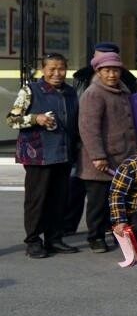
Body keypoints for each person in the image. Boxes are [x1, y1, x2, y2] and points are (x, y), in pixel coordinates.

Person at [9, 54, 80, 258]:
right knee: (36, 200)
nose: (57, 73)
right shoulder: (30, 90)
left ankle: (54, 238)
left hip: (63, 154)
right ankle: (33, 241)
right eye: (52, 69)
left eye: (61, 69)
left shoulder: (70, 92)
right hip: (38, 155)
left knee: (59, 199)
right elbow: (11, 120)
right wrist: (35, 119)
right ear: (43, 70)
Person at [76, 50, 137, 253]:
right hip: (100, 161)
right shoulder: (93, 93)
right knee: (98, 202)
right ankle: (95, 237)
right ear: (98, 71)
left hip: (123, 156)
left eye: (115, 70)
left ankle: (118, 233)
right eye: (107, 70)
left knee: (119, 200)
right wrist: (97, 156)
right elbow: (88, 128)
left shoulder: (123, 90)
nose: (112, 74)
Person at [72, 42, 137, 95]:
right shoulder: (81, 78)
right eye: (99, 58)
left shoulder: (128, 80)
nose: (111, 75)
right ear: (94, 57)